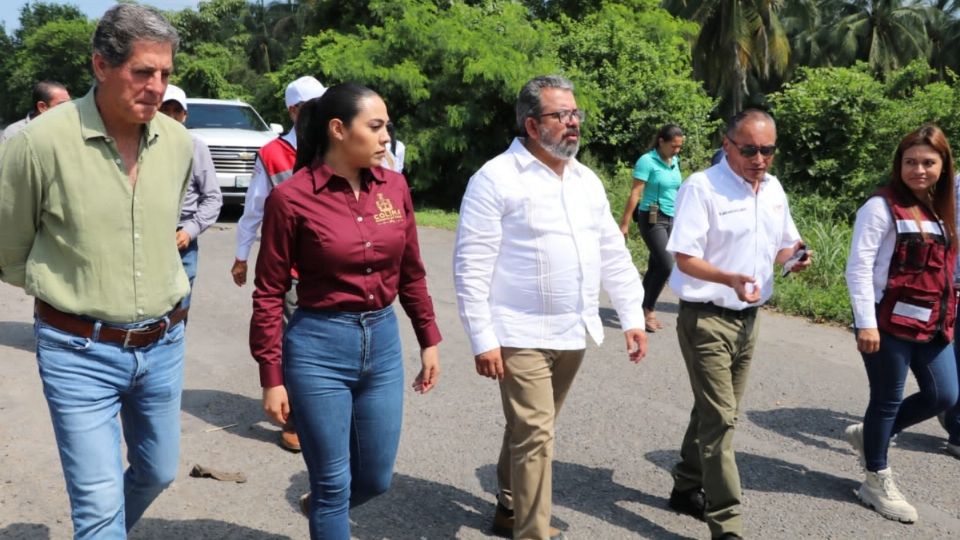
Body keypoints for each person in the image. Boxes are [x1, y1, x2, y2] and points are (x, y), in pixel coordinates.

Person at [0, 5, 192, 539]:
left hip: (163, 344)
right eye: (142, 72)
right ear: (101, 65)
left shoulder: (177, 144)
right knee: (98, 508)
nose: (157, 87)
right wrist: (72, 289)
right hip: (77, 350)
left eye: (165, 74)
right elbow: (9, 247)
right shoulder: (39, 144)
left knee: (158, 471)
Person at [453, 75, 648, 540]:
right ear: (531, 125)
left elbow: (612, 253)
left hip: (573, 330)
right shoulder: (495, 179)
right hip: (519, 332)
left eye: (575, 113)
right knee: (537, 434)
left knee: (531, 427)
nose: (573, 122)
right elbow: (470, 266)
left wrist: (632, 316)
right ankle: (531, 532)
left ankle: (508, 505)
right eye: (560, 115)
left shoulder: (586, 181)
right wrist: (483, 339)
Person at [249, 83, 441, 539]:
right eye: (375, 127)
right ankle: (328, 509)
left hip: (383, 344)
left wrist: (428, 338)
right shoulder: (291, 199)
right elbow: (269, 292)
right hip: (318, 347)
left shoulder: (394, 186)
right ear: (338, 129)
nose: (385, 138)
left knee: (375, 479)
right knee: (333, 482)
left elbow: (412, 269)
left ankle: (323, 509)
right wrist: (271, 376)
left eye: (387, 127)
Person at [665, 109, 810, 540]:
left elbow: (785, 245)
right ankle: (727, 523)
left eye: (768, 150)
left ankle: (686, 484)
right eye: (749, 149)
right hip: (707, 318)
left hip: (750, 320)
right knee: (721, 419)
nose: (759, 159)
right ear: (727, 144)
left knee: (715, 412)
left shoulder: (773, 190)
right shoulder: (701, 187)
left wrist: (795, 257)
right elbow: (684, 256)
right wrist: (728, 277)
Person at [843, 124, 959, 523]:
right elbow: (858, 268)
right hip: (887, 322)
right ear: (899, 164)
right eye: (911, 162)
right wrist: (865, 324)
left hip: (932, 323)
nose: (919, 170)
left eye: (928, 162)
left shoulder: (938, 210)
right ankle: (875, 478)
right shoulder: (881, 206)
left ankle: (869, 434)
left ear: (943, 166)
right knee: (887, 399)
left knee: (944, 395)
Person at [232, 75, 326, 452]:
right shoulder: (273, 154)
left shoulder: (336, 145)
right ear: (293, 110)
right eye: (312, 105)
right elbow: (253, 209)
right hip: (290, 268)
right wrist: (241, 256)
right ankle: (294, 419)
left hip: (330, 267)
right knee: (293, 343)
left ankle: (320, 411)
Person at [159, 83, 223, 308]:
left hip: (181, 241)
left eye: (177, 111)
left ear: (185, 116)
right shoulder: (138, 145)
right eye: (165, 110)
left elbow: (213, 198)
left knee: (178, 313)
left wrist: (190, 231)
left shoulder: (196, 147)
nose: (170, 116)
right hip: (148, 238)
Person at [618, 123, 685, 332]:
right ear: (661, 142)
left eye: (679, 146)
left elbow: (676, 190)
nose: (677, 150)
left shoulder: (675, 161)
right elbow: (636, 193)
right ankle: (649, 310)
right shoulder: (647, 161)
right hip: (651, 218)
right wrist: (625, 223)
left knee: (656, 266)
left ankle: (638, 308)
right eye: (673, 146)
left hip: (671, 217)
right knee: (666, 264)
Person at [0, 80, 71, 144]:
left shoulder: (70, 128)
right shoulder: (15, 132)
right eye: (63, 104)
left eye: (70, 104)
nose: (69, 108)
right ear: (42, 107)